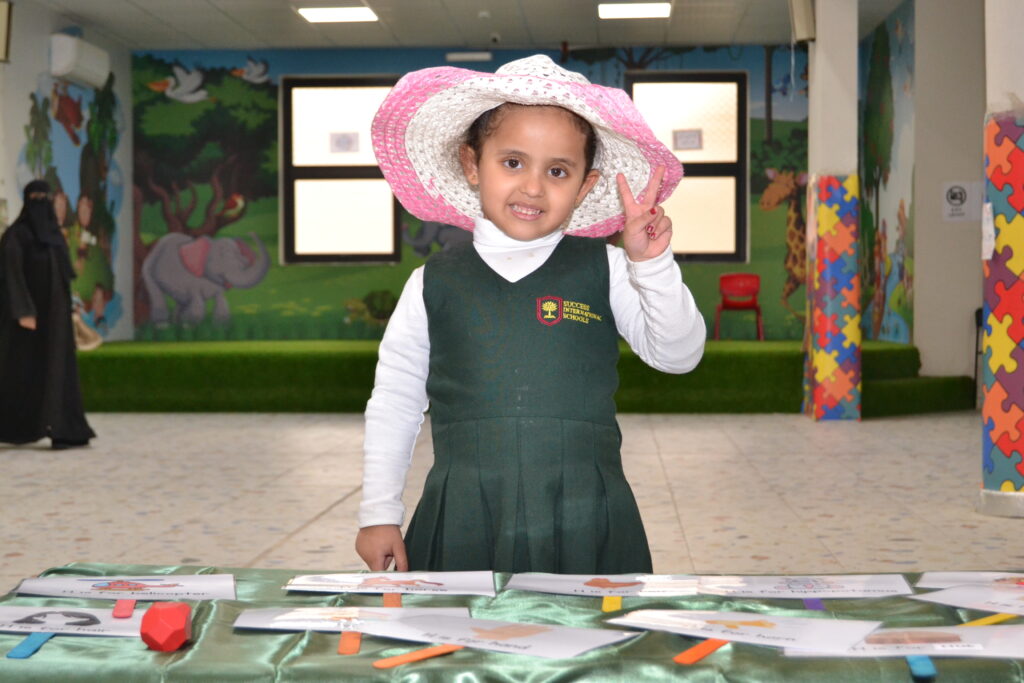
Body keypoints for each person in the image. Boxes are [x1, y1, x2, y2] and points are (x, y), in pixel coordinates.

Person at [356, 55, 705, 573]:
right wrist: (378, 512)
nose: (534, 187)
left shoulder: (609, 268)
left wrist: (650, 264)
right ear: (472, 164)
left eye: (558, 171)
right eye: (513, 163)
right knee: (459, 626)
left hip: (584, 509)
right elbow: (395, 401)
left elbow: (678, 355)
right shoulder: (432, 282)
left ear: (585, 186)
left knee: (592, 626)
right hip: (465, 508)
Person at [0, 180, 95, 449]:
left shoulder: (54, 236)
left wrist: (70, 306)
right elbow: (11, 275)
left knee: (58, 371)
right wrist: (23, 311)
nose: (40, 202)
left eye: (44, 196)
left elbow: (63, 274)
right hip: (27, 322)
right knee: (22, 372)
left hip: (56, 318)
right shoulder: (17, 235)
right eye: (35, 197)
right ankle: (16, 426)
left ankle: (66, 429)